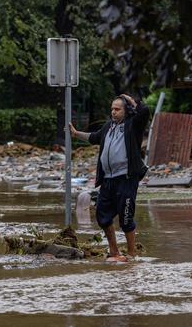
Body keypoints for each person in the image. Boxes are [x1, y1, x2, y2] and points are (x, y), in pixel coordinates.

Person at [69, 94, 149, 262]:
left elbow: (144, 112)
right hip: (108, 180)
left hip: (126, 179)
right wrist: (76, 134)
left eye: (117, 109)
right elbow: (94, 137)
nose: (113, 112)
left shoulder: (132, 125)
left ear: (126, 111)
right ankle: (114, 251)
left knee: (126, 217)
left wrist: (132, 101)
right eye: (112, 109)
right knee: (102, 215)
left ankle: (131, 253)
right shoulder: (108, 127)